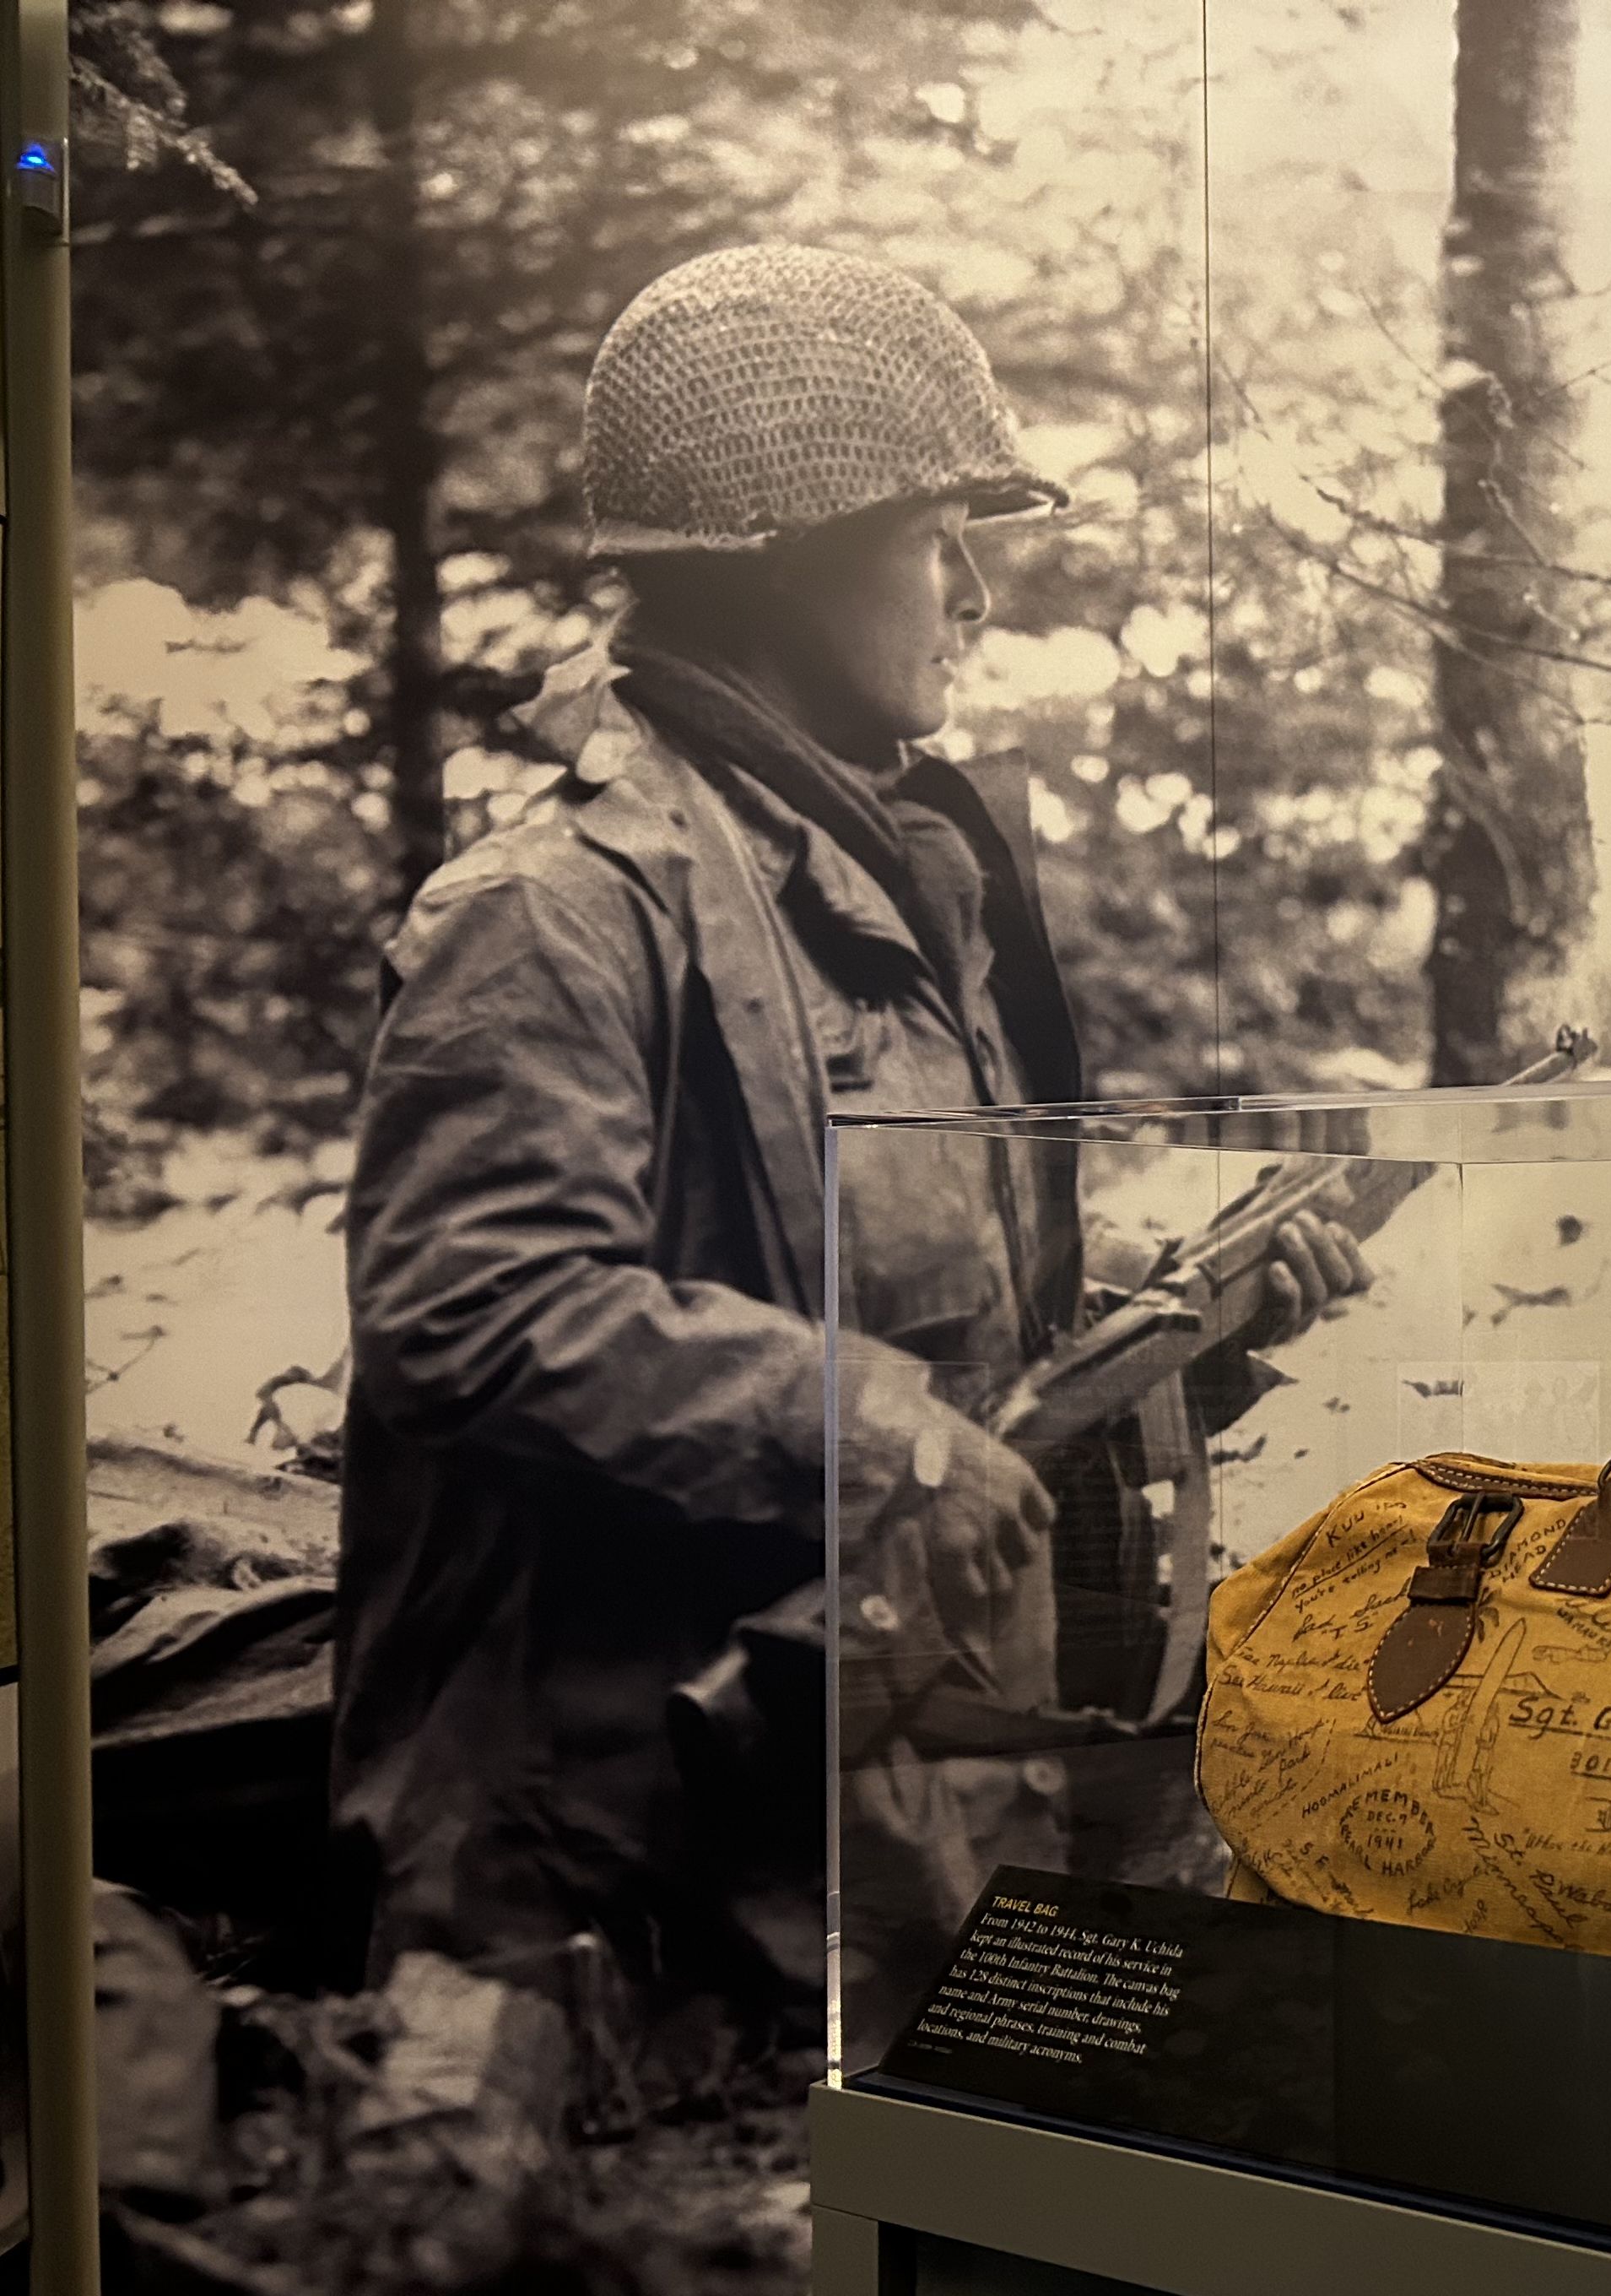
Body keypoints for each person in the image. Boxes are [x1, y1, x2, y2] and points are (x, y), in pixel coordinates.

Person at [332, 242, 1359, 2134]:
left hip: (885, 1871)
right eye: (935, 533)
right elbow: (473, 1314)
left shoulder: (886, 895)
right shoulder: (555, 914)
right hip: (623, 1909)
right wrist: (873, 1431)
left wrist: (1166, 1311)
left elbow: (918, 1305)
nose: (973, 587)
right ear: (788, 547)